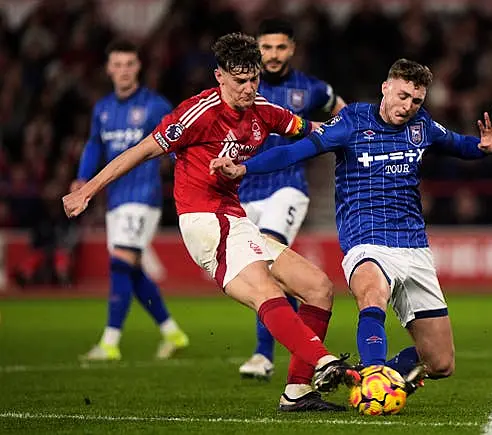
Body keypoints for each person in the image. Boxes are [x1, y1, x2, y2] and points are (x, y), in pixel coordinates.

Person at [63, 33, 359, 411]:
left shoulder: (263, 110)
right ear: (219, 77)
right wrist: (88, 189)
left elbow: (311, 129)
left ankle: (297, 393)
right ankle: (323, 361)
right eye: (239, 81)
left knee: (318, 287)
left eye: (253, 79)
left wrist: (357, 128)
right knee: (265, 291)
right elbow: (141, 150)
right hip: (204, 220)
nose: (248, 88)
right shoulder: (198, 113)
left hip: (236, 219)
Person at [211, 58, 492, 393]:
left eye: (416, 101)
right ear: (386, 87)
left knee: (440, 362)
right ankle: (372, 377)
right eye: (402, 95)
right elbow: (296, 152)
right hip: (366, 240)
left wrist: (484, 147)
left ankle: (378, 376)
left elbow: (459, 144)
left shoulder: (421, 126)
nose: (408, 106)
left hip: (414, 246)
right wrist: (245, 168)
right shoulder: (352, 121)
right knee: (372, 293)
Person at [237, 18, 346, 380]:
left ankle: (263, 355)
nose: (272, 54)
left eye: (280, 47)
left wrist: (344, 143)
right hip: (245, 191)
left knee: (267, 261)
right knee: (265, 273)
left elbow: (342, 114)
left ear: (292, 49)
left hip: (287, 186)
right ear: (256, 48)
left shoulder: (310, 89)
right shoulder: (244, 87)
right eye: (266, 47)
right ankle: (308, 340)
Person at [70, 40, 189, 361]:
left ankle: (110, 343)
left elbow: (180, 145)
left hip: (144, 196)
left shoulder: (155, 106)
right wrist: (83, 178)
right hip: (116, 199)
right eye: (117, 65)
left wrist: (193, 176)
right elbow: (95, 144)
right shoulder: (103, 108)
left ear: (138, 68)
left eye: (129, 64)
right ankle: (172, 333)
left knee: (120, 263)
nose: (123, 71)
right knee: (130, 270)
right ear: (109, 69)